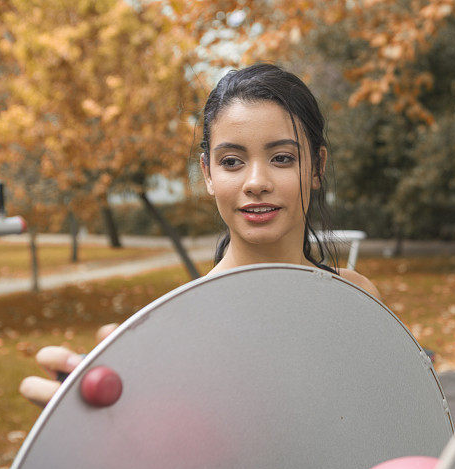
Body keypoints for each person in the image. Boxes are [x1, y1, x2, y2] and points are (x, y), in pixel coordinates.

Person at [20, 63, 380, 407]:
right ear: (208, 173)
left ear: (317, 167)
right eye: (232, 162)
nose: (256, 183)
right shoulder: (176, 328)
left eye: (282, 158)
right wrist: (92, 425)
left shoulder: (358, 298)